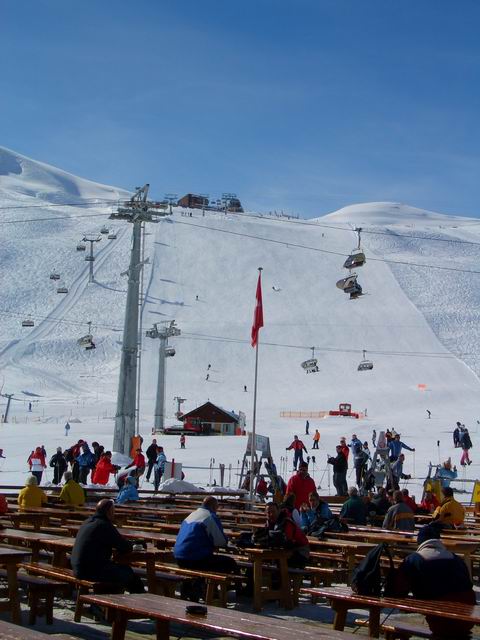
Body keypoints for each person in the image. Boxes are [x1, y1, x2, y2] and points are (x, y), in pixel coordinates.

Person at [393, 523, 475, 638]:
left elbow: (398, 591)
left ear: (419, 541)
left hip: (440, 619)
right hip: (467, 615)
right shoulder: (456, 559)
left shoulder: (413, 560)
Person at [71, 499, 144, 593]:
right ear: (109, 512)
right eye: (113, 511)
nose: (114, 514)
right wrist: (133, 544)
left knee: (117, 570)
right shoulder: (104, 524)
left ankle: (107, 599)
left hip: (77, 569)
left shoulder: (87, 522)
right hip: (90, 571)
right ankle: (140, 599)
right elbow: (124, 547)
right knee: (129, 574)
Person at [173, 496, 238, 574]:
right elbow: (221, 542)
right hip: (195, 558)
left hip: (179, 557)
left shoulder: (191, 515)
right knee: (230, 563)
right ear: (214, 506)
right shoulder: (209, 517)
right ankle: (234, 581)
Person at [255, 501, 310, 568]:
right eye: (268, 512)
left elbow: (287, 543)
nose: (271, 514)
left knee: (278, 563)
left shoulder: (286, 522)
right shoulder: (269, 522)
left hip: (300, 552)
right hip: (286, 552)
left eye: (273, 511)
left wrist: (270, 542)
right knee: (258, 561)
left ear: (278, 511)